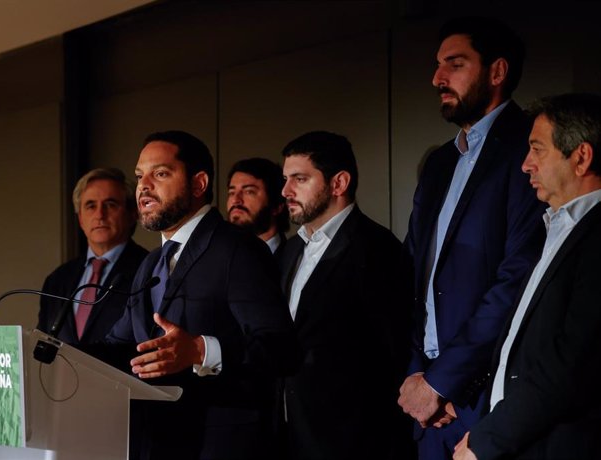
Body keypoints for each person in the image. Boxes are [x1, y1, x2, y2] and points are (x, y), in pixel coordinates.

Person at [398, 16, 546, 459]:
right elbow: (412, 274)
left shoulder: (533, 149)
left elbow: (518, 278)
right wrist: (418, 377)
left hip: (488, 398)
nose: (437, 78)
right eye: (438, 65)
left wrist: (445, 380)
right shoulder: (441, 162)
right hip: (423, 400)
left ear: (496, 72)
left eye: (455, 64)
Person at [105, 130, 300, 460]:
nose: (144, 186)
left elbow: (280, 348)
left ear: (198, 184)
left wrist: (200, 350)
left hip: (220, 447)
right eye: (140, 176)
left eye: (161, 173)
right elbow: (117, 347)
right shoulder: (151, 263)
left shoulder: (237, 249)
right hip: (155, 444)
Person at [453, 93, 601, 460]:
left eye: (537, 150)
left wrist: (488, 440)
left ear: (581, 157)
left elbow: (571, 366)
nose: (525, 165)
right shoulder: (551, 229)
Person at [277, 130, 415, 460]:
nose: (285, 191)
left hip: (353, 441)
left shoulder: (379, 249)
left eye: (299, 179)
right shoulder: (289, 251)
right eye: (285, 179)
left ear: (338, 183)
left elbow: (392, 354)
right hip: (289, 434)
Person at [37, 167, 148, 346]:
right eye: (90, 206)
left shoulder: (150, 270)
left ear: (132, 214)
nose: (99, 215)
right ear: (80, 219)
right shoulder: (57, 280)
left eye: (110, 204)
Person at [226, 157, 289, 256]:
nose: (235, 200)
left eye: (249, 192)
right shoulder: (218, 255)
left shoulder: (294, 260)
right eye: (231, 192)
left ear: (277, 206)